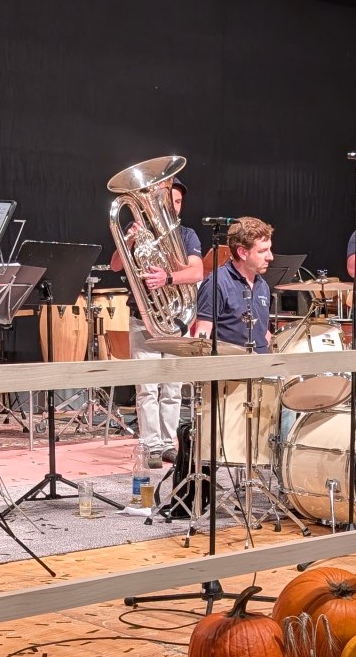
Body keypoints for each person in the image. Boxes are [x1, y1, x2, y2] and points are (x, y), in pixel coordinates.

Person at [109, 178, 203, 469]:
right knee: (147, 387)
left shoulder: (187, 235)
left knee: (172, 388)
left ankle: (167, 443)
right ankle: (150, 445)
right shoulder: (139, 231)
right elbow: (115, 265)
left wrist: (169, 278)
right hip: (144, 316)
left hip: (175, 318)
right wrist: (129, 240)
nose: (172, 207)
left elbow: (198, 271)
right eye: (167, 201)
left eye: (176, 202)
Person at [193, 216, 274, 354]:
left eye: (269, 249)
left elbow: (261, 332)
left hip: (262, 368)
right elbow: (203, 334)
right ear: (242, 252)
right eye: (262, 251)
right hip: (231, 368)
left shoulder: (262, 285)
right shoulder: (216, 284)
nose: (270, 257)